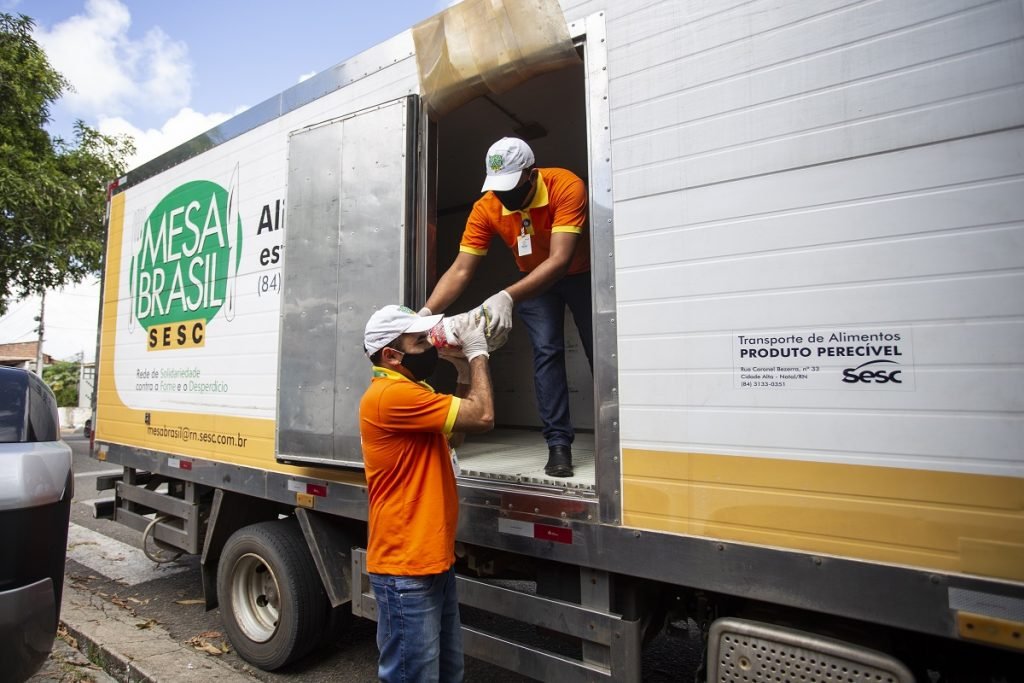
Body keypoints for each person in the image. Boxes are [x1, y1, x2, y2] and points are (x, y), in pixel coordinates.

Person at [421, 137, 591, 478]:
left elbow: (560, 260)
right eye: (497, 187)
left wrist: (507, 296)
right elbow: (461, 268)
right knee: (546, 352)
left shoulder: (566, 185)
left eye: (510, 186)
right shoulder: (487, 206)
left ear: (531, 175)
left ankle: (621, 437)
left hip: (580, 274)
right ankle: (559, 445)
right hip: (531, 278)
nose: (503, 195)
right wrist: (427, 313)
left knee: (598, 350)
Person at [359, 304, 494, 683]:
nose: (430, 346)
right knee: (413, 676)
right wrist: (477, 353)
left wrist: (463, 370)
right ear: (391, 355)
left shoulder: (412, 391)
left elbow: (458, 433)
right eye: (420, 341)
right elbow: (482, 416)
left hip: (431, 559)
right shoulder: (391, 397)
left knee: (448, 673)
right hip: (407, 568)